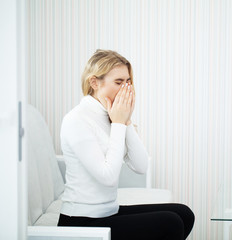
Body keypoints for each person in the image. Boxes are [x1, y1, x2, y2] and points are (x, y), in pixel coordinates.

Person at [57, 49, 195, 240]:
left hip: (108, 213)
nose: (126, 89)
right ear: (94, 82)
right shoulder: (77, 119)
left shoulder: (111, 115)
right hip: (81, 221)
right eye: (119, 82)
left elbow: (141, 166)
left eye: (128, 82)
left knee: (184, 214)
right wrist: (119, 123)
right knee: (171, 223)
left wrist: (126, 121)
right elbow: (108, 177)